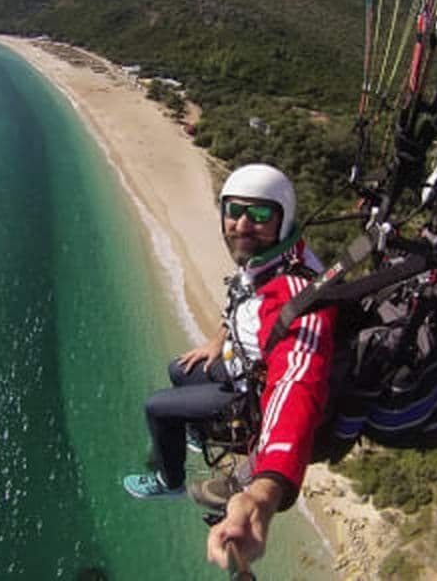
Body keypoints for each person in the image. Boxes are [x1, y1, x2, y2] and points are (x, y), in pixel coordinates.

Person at [122, 163, 338, 569]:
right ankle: (200, 435)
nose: (242, 224)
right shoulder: (269, 260)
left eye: (259, 215)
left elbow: (297, 382)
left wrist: (262, 495)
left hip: (252, 394)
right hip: (240, 360)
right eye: (234, 211)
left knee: (157, 406)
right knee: (179, 369)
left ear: (283, 219)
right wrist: (217, 340)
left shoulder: (298, 295)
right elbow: (243, 298)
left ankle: (169, 481)